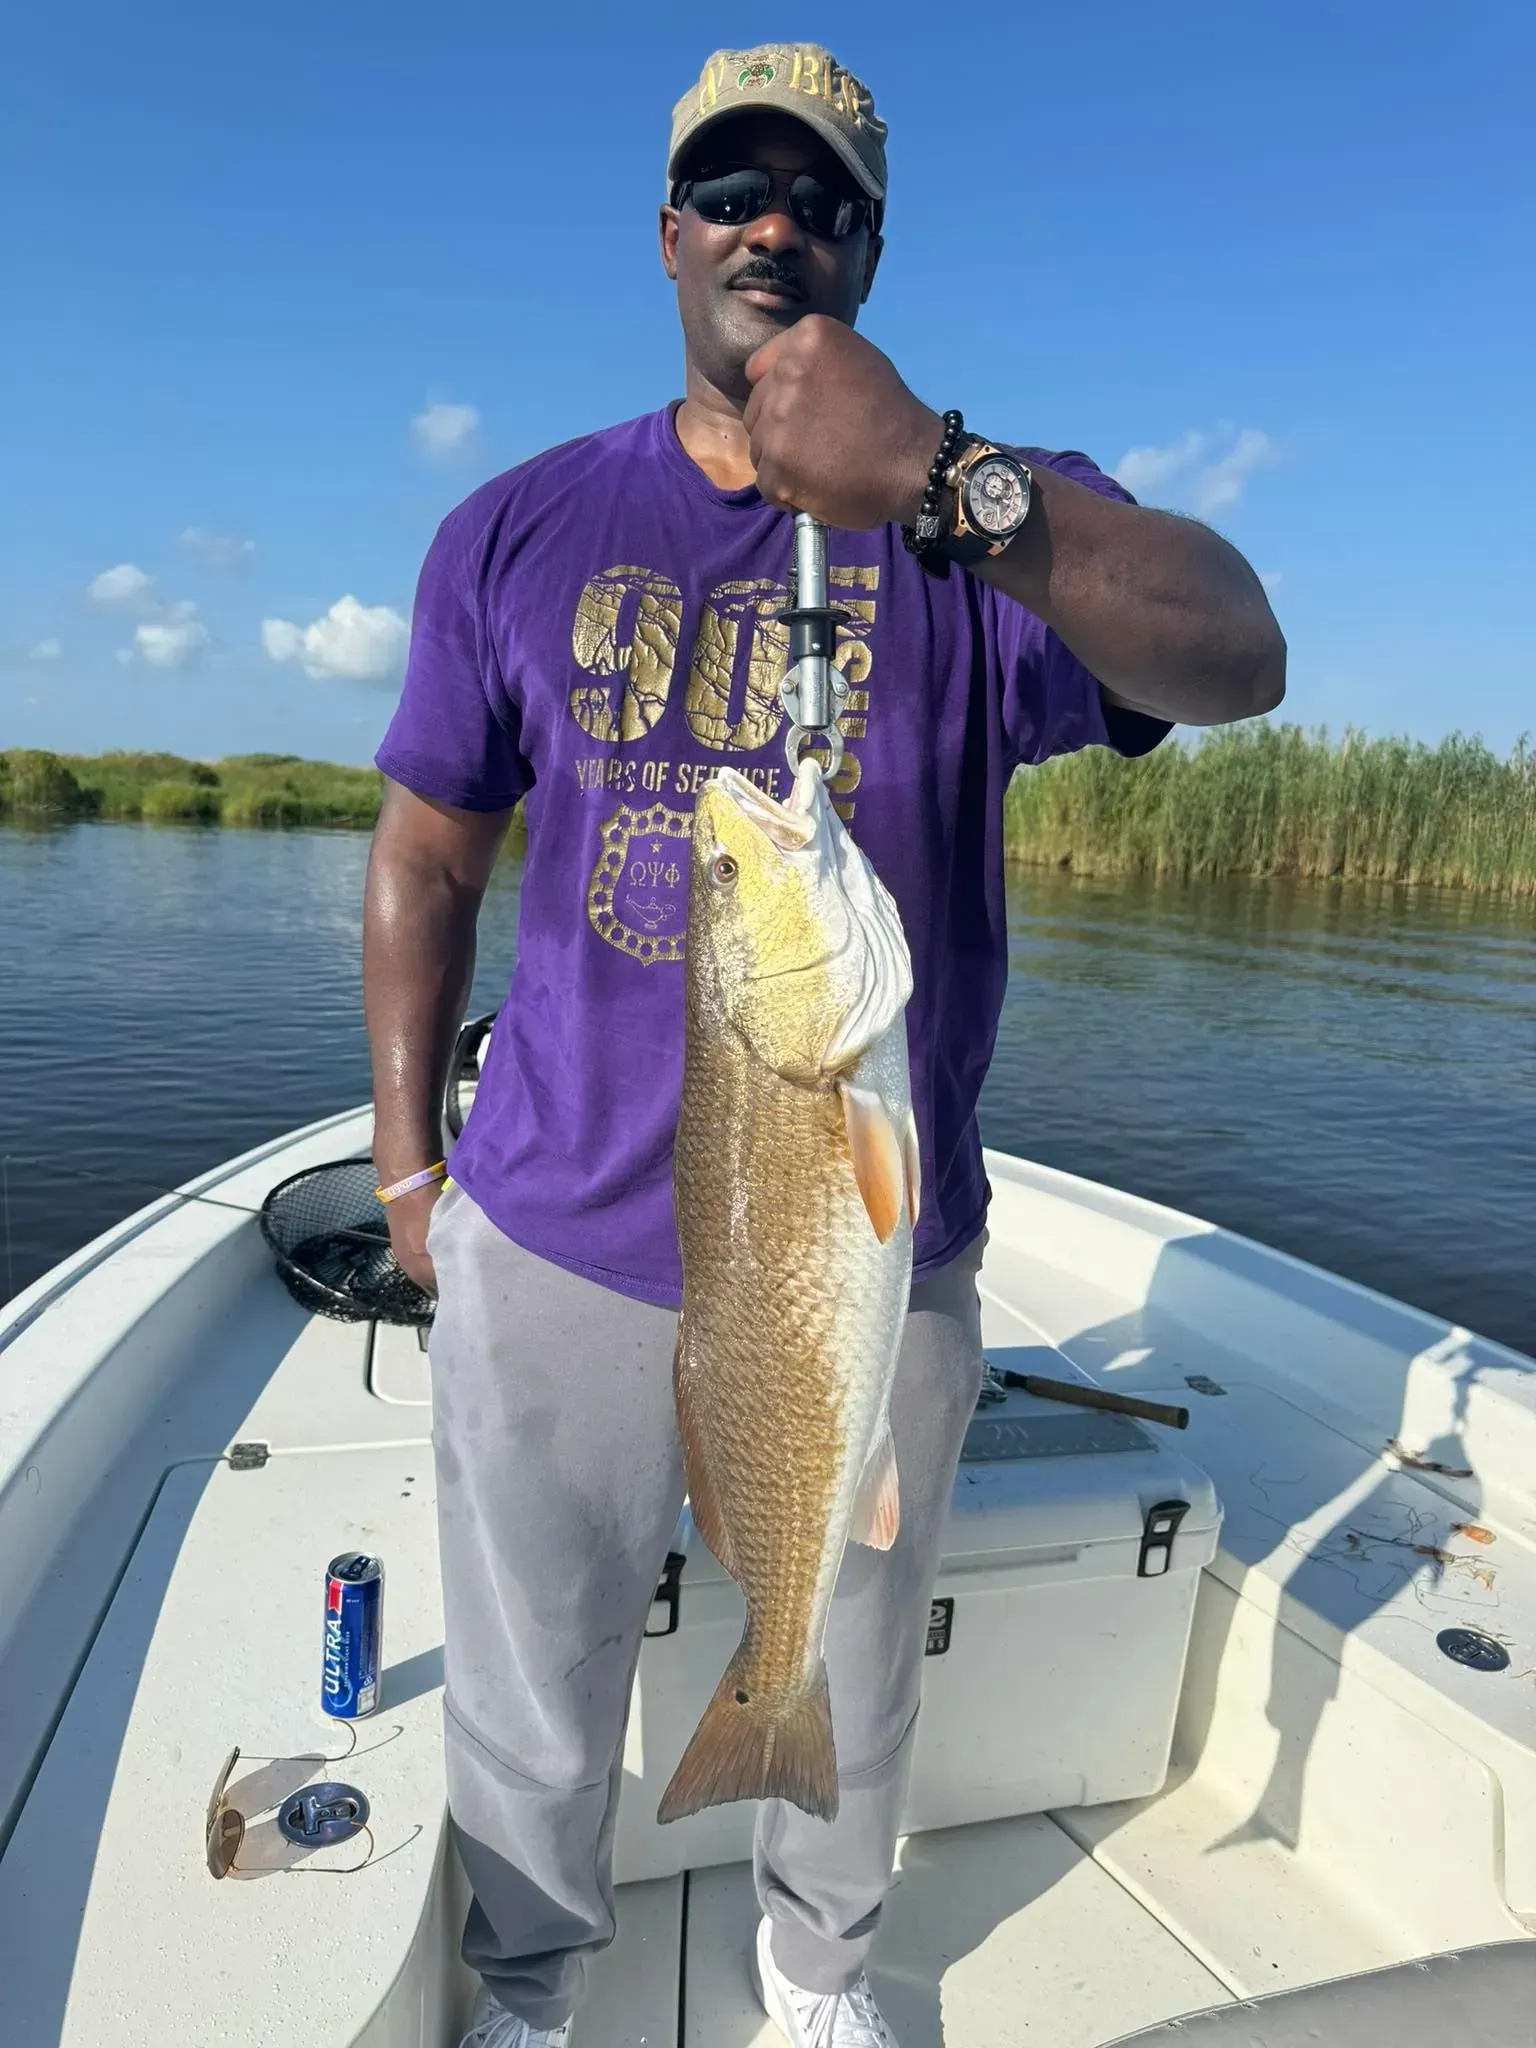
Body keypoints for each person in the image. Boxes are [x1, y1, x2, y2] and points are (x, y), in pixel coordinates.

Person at [363, 39, 1284, 2048]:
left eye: (823, 200)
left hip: (870, 1241)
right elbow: (428, 855)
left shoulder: (989, 523)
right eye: (733, 191)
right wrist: (407, 1167)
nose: (773, 226)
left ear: (869, 248)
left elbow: (1238, 654)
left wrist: (952, 488)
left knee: (850, 1660)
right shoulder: (516, 529)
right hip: (555, 1241)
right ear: (672, 232)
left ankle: (816, 1974)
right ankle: (530, 1992)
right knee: (531, 1679)